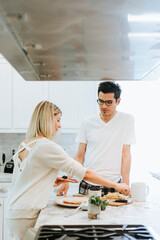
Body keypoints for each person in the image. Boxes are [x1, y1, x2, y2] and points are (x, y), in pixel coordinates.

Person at [6, 100, 130, 240]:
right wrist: (115, 185)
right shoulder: (46, 146)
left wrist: (51, 179)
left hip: (14, 210)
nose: (59, 125)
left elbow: (25, 176)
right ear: (47, 119)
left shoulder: (26, 143)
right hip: (26, 213)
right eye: (57, 120)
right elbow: (85, 173)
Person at [58, 81, 135, 197]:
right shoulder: (87, 123)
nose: (104, 106)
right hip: (88, 185)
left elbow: (125, 154)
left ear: (118, 101)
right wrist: (67, 180)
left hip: (114, 185)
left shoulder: (127, 120)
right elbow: (79, 157)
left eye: (109, 102)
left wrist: (126, 184)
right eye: (101, 101)